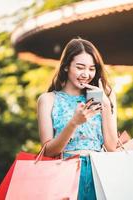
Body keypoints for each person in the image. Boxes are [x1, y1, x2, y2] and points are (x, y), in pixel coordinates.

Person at [37, 37, 118, 199]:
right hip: (64, 174)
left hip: (99, 173)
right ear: (66, 66)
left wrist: (107, 105)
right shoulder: (48, 99)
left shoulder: (106, 96)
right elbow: (47, 151)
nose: (86, 74)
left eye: (91, 69)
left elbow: (111, 147)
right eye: (80, 67)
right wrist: (74, 123)